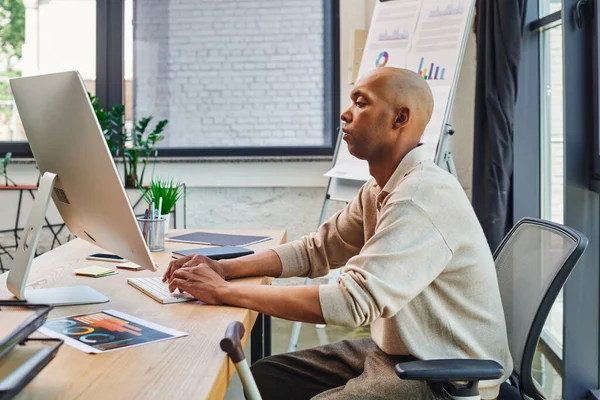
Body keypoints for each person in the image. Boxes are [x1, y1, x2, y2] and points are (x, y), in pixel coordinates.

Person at [163, 67, 513, 399]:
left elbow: (351, 302)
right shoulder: (380, 188)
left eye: (361, 103)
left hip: (445, 375)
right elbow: (318, 249)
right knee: (265, 377)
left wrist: (224, 293)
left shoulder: (420, 197)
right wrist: (226, 268)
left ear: (400, 119)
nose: (346, 114)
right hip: (401, 351)